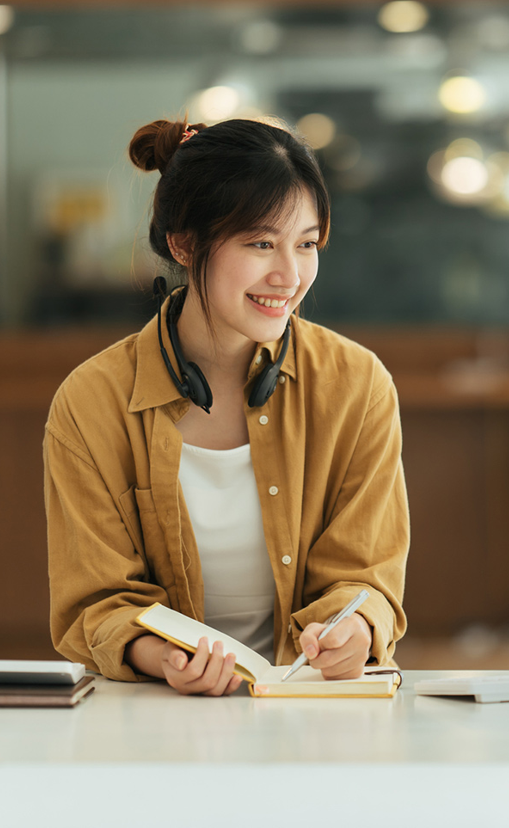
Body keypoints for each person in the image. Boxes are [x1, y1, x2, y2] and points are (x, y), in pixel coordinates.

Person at [43, 117, 409, 696]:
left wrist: (356, 630)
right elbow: (96, 601)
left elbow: (365, 576)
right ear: (185, 243)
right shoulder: (92, 403)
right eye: (261, 243)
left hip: (307, 711)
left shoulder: (356, 386)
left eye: (307, 244)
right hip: (152, 716)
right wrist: (163, 657)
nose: (289, 276)